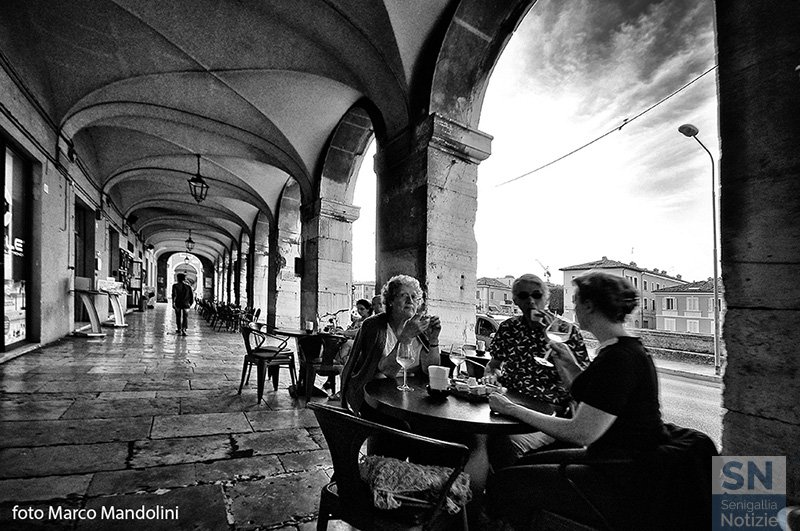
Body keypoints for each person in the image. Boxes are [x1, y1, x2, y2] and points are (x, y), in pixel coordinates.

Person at [486, 271, 668, 526]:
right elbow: (590, 392)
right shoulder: (619, 349)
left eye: (576, 301)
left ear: (589, 306)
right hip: (612, 459)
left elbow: (581, 433)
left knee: (506, 482)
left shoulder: (618, 359)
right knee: (519, 465)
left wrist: (511, 408)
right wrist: (570, 364)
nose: (573, 308)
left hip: (620, 474)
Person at [484, 274, 590, 468]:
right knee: (478, 434)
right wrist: (491, 375)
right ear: (515, 300)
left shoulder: (565, 330)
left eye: (537, 295)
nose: (531, 301)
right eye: (524, 296)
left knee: (502, 442)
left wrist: (550, 338)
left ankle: (509, 483)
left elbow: (584, 382)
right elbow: (494, 364)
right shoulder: (509, 327)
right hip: (509, 402)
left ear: (546, 298)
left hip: (549, 413)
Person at [341, 275, 440, 416]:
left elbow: (430, 370)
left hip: (413, 395)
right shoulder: (374, 326)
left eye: (414, 297)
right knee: (407, 424)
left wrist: (434, 339)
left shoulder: (419, 326)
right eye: (403, 295)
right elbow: (387, 370)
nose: (410, 301)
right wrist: (406, 337)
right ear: (391, 300)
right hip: (376, 398)